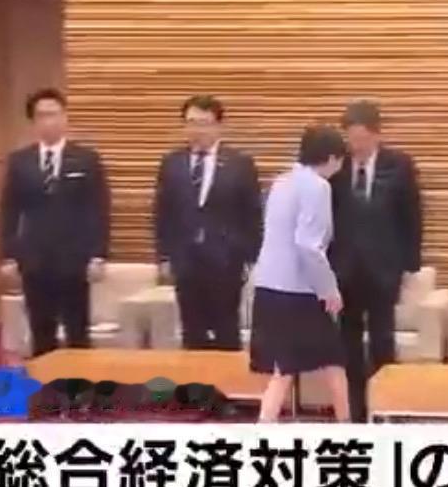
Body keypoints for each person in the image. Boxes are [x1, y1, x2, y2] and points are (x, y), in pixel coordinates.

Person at [329, 100, 423, 423]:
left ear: (376, 134)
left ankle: (385, 407)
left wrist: (410, 265)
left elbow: (412, 216)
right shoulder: (337, 168)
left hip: (384, 269)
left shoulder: (399, 165)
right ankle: (355, 412)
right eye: (350, 137)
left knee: (383, 340)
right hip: (344, 271)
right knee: (348, 343)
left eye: (361, 137)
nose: (356, 145)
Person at [0, 88, 111, 358]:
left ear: (65, 117)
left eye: (54, 114)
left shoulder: (86, 160)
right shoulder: (20, 162)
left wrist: (98, 255)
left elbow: (99, 209)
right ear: (33, 121)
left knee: (77, 332)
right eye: (42, 116)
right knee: (42, 331)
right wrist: (8, 256)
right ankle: (44, 384)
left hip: (74, 259)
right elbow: (10, 210)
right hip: (35, 260)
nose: (49, 121)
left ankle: (80, 384)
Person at [253, 124, 350, 423]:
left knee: (291, 366)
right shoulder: (318, 187)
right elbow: (308, 245)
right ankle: (347, 426)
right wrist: (329, 289)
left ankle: (265, 425)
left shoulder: (281, 182)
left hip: (269, 284)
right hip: (298, 290)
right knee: (327, 361)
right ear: (332, 158)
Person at [153, 95, 262, 350]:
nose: (197, 130)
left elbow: (252, 214)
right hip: (186, 262)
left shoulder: (240, 164)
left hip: (226, 262)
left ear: (218, 126)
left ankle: (227, 377)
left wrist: (248, 257)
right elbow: (163, 212)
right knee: (192, 333)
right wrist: (164, 257)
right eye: (191, 123)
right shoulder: (172, 163)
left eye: (203, 123)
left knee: (226, 331)